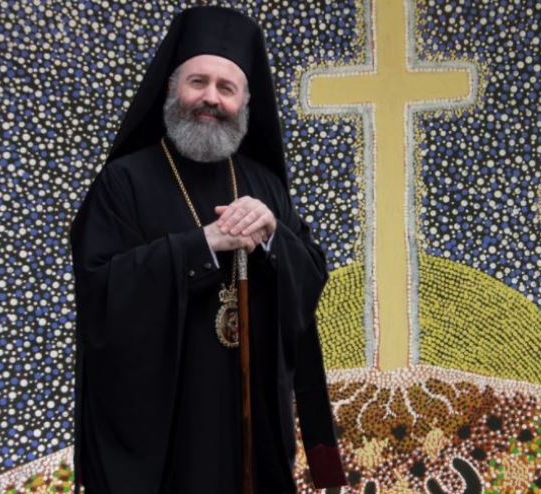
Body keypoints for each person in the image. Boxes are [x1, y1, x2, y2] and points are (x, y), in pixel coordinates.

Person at [69, 6, 347, 493]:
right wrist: (202, 246)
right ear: (172, 87)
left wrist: (273, 237)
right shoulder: (123, 182)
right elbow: (100, 288)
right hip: (160, 432)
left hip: (251, 425)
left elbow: (309, 284)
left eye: (226, 87)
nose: (211, 98)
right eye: (198, 82)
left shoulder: (264, 185)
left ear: (245, 101)